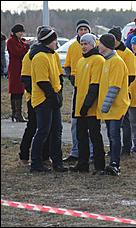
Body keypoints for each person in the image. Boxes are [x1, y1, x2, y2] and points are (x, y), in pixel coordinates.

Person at [30, 28, 67, 172]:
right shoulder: (40, 56)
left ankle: (57, 162)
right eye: (54, 40)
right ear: (48, 41)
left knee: (57, 130)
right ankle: (36, 163)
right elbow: (42, 81)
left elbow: (59, 76)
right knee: (43, 131)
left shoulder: (53, 55)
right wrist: (53, 97)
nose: (56, 43)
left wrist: (59, 95)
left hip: (53, 98)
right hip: (43, 99)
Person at [69, 33, 106, 174]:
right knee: (81, 136)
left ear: (93, 44)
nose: (84, 47)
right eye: (82, 44)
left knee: (95, 136)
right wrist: (76, 107)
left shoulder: (98, 60)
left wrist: (86, 105)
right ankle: (82, 163)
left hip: (91, 107)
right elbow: (78, 88)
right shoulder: (80, 61)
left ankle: (99, 165)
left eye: (86, 44)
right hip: (80, 107)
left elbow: (94, 86)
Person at [19, 25, 53, 167]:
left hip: (47, 97)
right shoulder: (30, 55)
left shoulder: (49, 54)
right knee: (33, 126)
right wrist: (36, 94)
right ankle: (24, 155)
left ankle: (45, 156)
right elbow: (26, 78)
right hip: (35, 97)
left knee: (46, 128)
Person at [97, 34, 130, 176]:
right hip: (110, 108)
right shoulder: (107, 61)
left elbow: (114, 87)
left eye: (101, 44)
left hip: (116, 107)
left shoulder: (116, 62)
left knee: (114, 136)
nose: (98, 46)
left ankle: (115, 164)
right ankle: (112, 163)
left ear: (107, 45)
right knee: (111, 136)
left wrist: (105, 105)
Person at [63, 19, 94, 164]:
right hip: (77, 86)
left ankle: (93, 151)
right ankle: (76, 151)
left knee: (92, 122)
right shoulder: (72, 47)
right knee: (76, 120)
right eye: (80, 29)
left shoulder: (95, 45)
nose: (83, 32)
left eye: (85, 29)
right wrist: (71, 78)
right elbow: (67, 66)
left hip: (91, 87)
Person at [109, 26, 136, 156]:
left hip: (124, 92)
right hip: (110, 91)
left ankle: (126, 147)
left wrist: (120, 86)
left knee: (124, 121)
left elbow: (131, 75)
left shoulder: (127, 54)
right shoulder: (108, 53)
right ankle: (114, 147)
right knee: (112, 121)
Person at [7, 23, 30, 122]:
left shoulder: (20, 41)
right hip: (15, 68)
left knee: (19, 90)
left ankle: (16, 113)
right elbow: (18, 52)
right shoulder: (11, 42)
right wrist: (26, 47)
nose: (21, 34)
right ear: (15, 32)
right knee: (16, 90)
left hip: (21, 68)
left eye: (22, 32)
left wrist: (25, 45)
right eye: (20, 32)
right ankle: (16, 114)